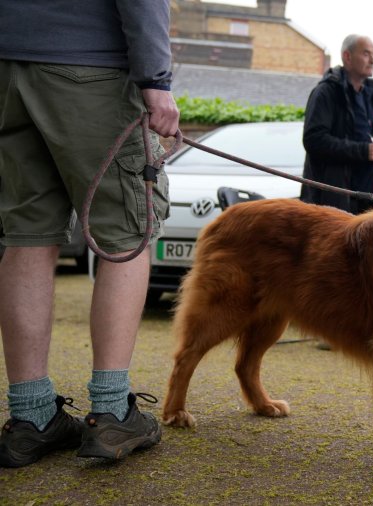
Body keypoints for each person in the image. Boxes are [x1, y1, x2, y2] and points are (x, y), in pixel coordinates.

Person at [0, 1, 179, 468]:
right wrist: (156, 82)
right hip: (87, 67)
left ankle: (31, 418)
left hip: (7, 68)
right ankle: (113, 411)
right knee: (128, 231)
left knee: (26, 235)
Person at [300, 34, 373, 215]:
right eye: (366, 54)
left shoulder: (371, 95)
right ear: (347, 56)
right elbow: (313, 140)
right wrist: (363, 151)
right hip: (334, 201)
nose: (372, 60)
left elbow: (367, 140)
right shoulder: (326, 92)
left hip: (367, 200)